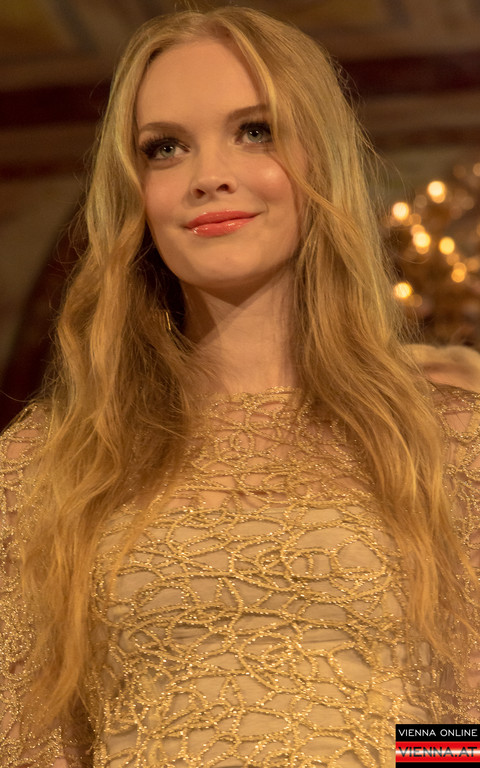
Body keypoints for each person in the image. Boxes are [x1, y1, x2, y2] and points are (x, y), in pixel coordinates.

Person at [1, 6, 480, 767]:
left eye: (255, 131)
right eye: (165, 148)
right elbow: (31, 742)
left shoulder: (446, 437)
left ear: (319, 158)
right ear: (134, 192)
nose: (208, 176)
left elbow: (463, 721)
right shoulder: (45, 465)